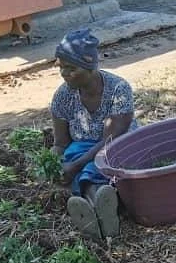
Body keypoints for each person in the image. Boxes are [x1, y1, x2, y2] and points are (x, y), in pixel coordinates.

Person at [50, 28, 137, 239]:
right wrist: (53, 165)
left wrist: (76, 165)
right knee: (72, 154)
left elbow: (111, 140)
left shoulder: (118, 89)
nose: (64, 73)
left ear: (90, 67)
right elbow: (61, 143)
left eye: (71, 68)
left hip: (117, 145)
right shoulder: (62, 96)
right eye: (61, 67)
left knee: (98, 164)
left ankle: (94, 206)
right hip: (82, 151)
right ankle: (100, 208)